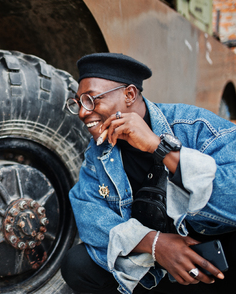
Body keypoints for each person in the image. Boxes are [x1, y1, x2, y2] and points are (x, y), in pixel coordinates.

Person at [60, 52, 236, 294]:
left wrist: (159, 147)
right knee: (78, 264)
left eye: (91, 100)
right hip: (156, 267)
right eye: (78, 103)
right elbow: (90, 218)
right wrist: (156, 244)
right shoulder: (98, 152)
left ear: (129, 95)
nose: (82, 113)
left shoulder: (195, 126)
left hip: (212, 263)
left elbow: (232, 198)